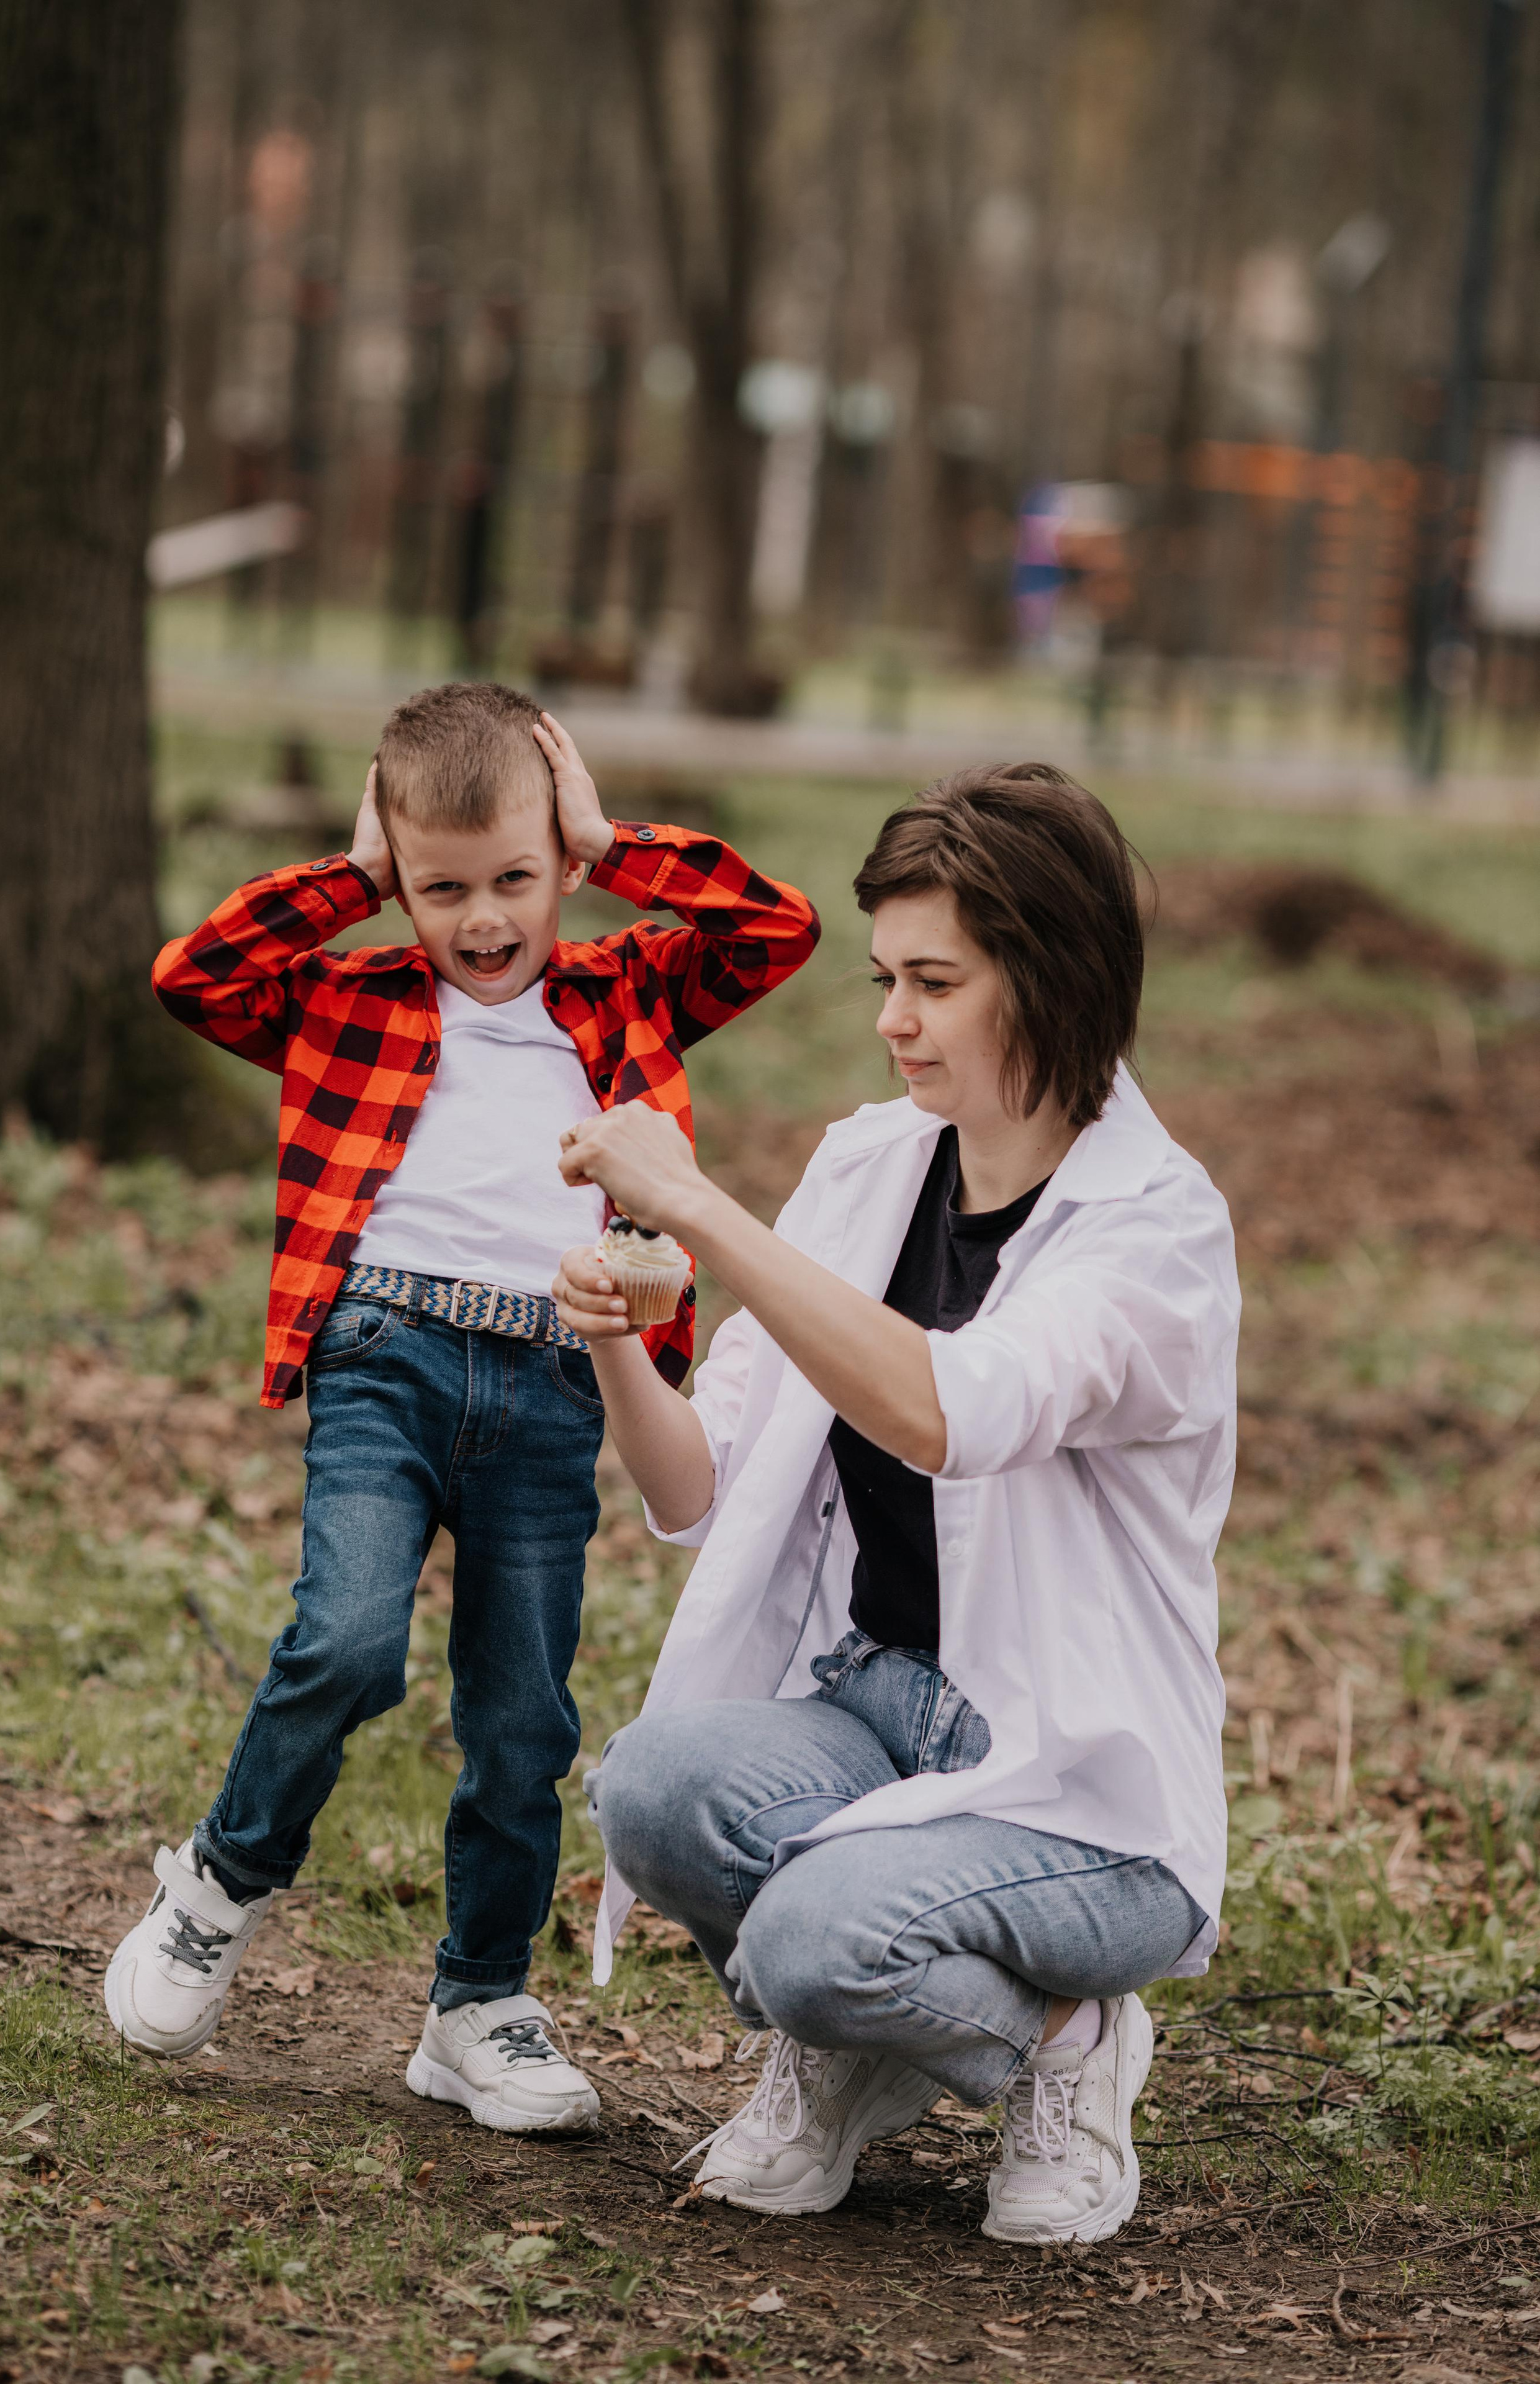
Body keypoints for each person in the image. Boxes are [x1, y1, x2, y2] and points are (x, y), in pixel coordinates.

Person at [103, 683, 819, 2135]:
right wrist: (352, 881)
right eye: (440, 889)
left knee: (521, 1716)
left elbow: (776, 929)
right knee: (347, 1637)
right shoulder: (346, 996)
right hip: (384, 1357)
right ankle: (223, 1880)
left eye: (514, 878)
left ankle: (479, 2001)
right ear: (402, 878)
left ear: (557, 863)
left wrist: (612, 836)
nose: (481, 918)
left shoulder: (624, 989)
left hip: (557, 1381)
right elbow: (193, 978)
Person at [551, 763, 1238, 2242]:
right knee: (651, 1788)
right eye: (883, 978)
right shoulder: (873, 1167)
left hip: (1083, 1797)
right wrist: (616, 1335)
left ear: (1045, 983)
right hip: (875, 1712)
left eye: (934, 982)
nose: (891, 1020)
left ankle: (1059, 2043)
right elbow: (699, 1488)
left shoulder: (1151, 1231)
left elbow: (947, 1410)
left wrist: (699, 1210)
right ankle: (873, 2026)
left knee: (811, 1940)